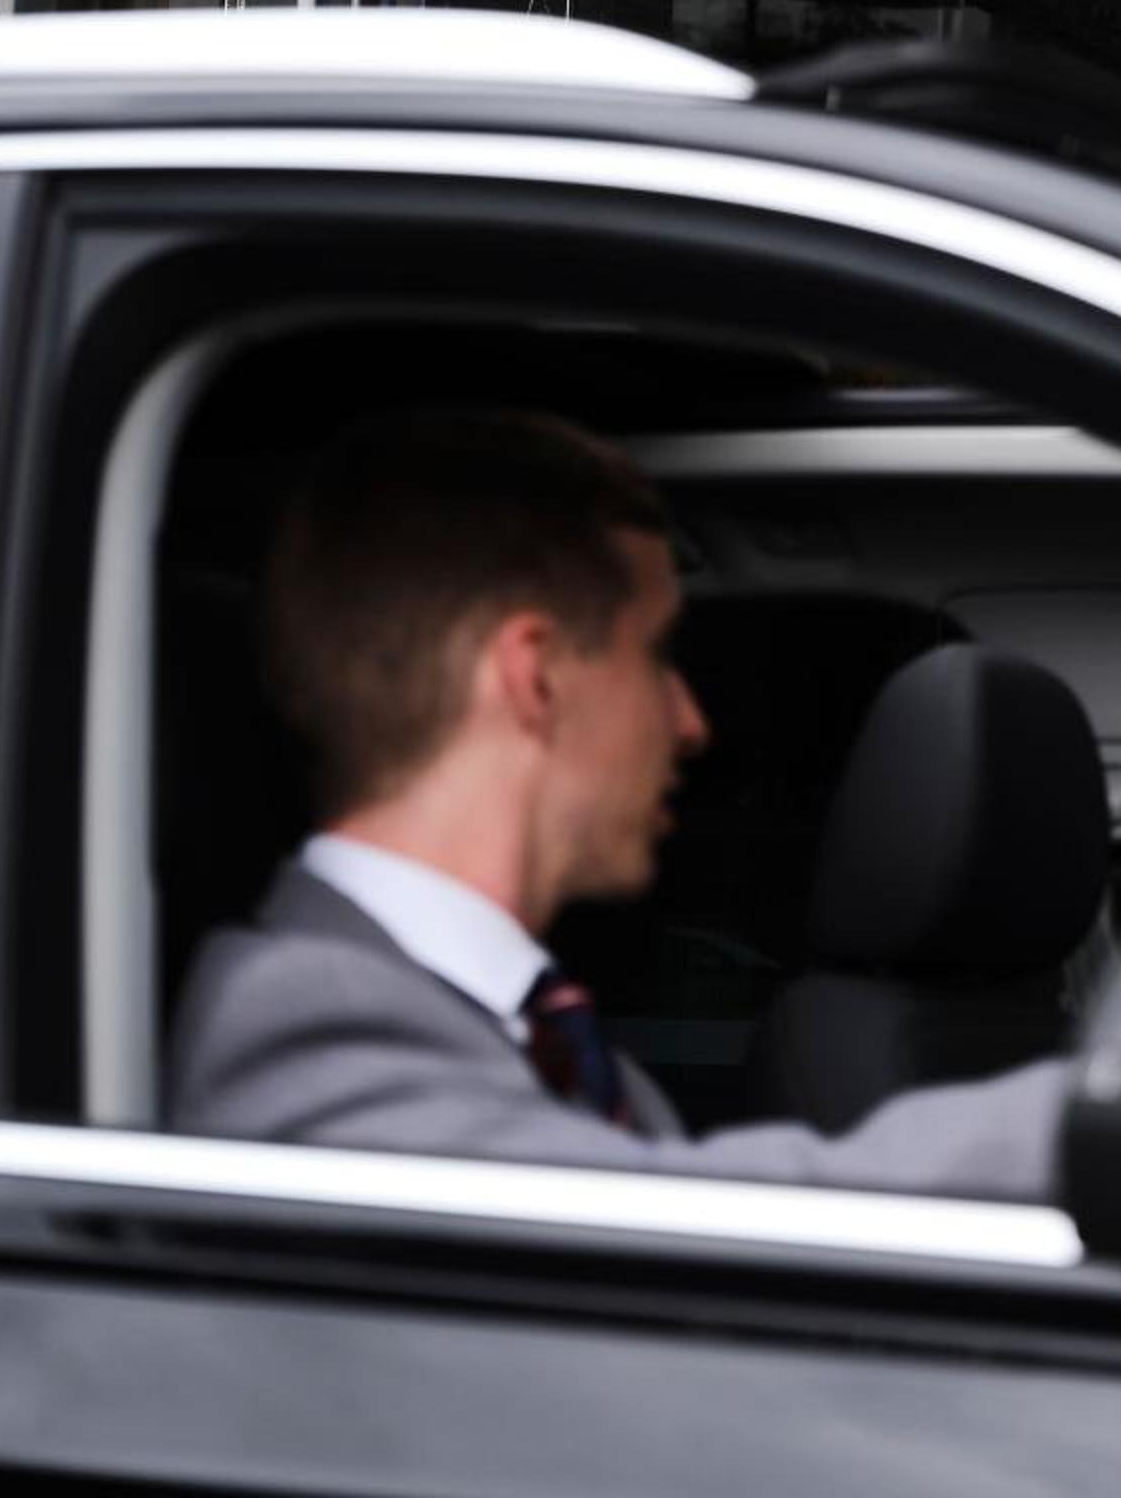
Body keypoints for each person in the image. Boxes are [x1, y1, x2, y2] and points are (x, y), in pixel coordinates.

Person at [165, 407, 1062, 1198]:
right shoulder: (300, 1017)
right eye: (658, 654)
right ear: (536, 677)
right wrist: (1098, 1117)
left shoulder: (562, 1049)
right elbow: (676, 1250)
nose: (691, 721)